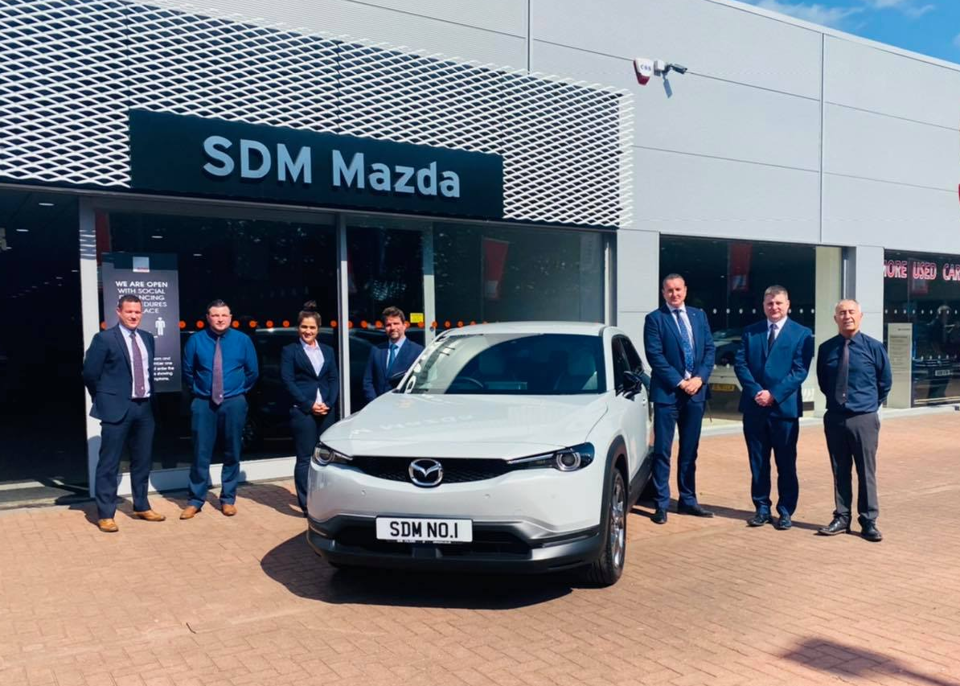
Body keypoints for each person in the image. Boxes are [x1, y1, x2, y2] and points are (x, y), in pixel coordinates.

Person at [733, 285, 814, 530]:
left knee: (786, 462)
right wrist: (757, 391)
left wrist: (774, 394)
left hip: (784, 410)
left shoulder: (801, 333)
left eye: (779, 303)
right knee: (758, 462)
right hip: (755, 407)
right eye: (770, 303)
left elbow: (799, 370)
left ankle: (786, 510)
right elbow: (740, 364)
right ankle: (762, 508)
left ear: (788, 304)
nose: (774, 307)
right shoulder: (751, 331)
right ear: (763, 305)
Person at [82, 295, 164, 532]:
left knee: (142, 461)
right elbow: (90, 374)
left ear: (142, 312)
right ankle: (106, 514)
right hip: (116, 409)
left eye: (137, 311)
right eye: (129, 311)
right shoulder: (104, 338)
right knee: (109, 463)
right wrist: (104, 399)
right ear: (118, 312)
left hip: (144, 408)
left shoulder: (147, 338)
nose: (133, 315)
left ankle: (141, 505)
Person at [643, 274, 716, 524]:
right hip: (668, 394)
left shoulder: (699, 315)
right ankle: (661, 503)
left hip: (695, 393)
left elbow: (709, 349)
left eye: (678, 289)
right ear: (663, 293)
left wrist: (700, 378)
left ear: (685, 290)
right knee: (663, 450)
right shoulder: (655, 319)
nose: (674, 294)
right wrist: (680, 381)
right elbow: (655, 356)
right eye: (669, 290)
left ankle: (688, 500)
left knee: (689, 450)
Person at [816, 299, 892, 542]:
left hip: (864, 419)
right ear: (835, 318)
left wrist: (867, 406)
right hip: (835, 418)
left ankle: (868, 521)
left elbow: (885, 382)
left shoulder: (874, 347)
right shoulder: (827, 349)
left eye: (851, 312)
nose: (846, 316)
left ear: (860, 316)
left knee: (865, 471)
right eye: (841, 312)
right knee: (840, 470)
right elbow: (823, 382)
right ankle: (842, 516)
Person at [180, 299, 259, 519]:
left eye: (224, 315)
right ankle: (195, 500)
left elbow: (253, 372)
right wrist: (201, 389)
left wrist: (237, 390)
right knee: (200, 452)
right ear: (208, 317)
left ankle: (228, 499)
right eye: (215, 315)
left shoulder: (243, 340)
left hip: (233, 402)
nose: (220, 319)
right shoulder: (196, 341)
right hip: (204, 403)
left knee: (232, 450)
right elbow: (188, 372)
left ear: (230, 317)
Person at [280, 302, 339, 516]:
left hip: (326, 410)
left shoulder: (328, 350)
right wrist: (309, 404)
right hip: (303, 411)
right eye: (304, 327)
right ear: (298, 328)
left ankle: (324, 499)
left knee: (326, 457)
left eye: (312, 328)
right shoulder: (290, 351)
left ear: (318, 329)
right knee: (305, 458)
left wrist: (329, 403)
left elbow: (333, 378)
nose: (308, 331)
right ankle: (306, 504)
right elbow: (288, 381)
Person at [362, 306, 424, 403]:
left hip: (403, 408)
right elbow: (368, 381)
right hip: (378, 408)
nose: (392, 328)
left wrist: (411, 401)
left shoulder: (417, 351)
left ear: (404, 325)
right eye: (388, 325)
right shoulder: (376, 350)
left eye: (396, 323)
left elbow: (422, 382)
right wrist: (374, 402)